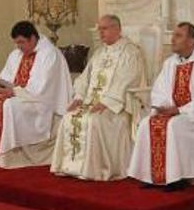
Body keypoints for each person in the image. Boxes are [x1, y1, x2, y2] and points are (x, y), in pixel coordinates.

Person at [127, 22, 194, 191]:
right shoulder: (170, 63)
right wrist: (162, 107)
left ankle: (176, 178)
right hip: (172, 112)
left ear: (191, 41)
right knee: (146, 124)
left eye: (178, 36)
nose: (172, 39)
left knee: (172, 126)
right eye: (173, 35)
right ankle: (152, 176)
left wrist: (179, 110)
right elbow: (159, 90)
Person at [50, 15, 146, 181]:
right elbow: (84, 78)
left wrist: (107, 102)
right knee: (68, 116)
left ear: (117, 29)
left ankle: (95, 169)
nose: (100, 33)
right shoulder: (99, 53)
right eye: (99, 29)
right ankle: (70, 167)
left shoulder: (130, 52)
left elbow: (128, 80)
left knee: (94, 120)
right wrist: (79, 97)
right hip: (91, 102)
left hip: (117, 107)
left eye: (105, 28)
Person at [0, 21, 72, 168]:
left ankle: (11, 157)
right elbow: (7, 76)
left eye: (21, 42)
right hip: (22, 95)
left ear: (32, 38)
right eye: (16, 43)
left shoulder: (49, 54)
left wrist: (14, 91)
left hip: (41, 101)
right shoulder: (16, 54)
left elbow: (42, 88)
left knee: (9, 106)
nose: (19, 46)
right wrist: (1, 85)